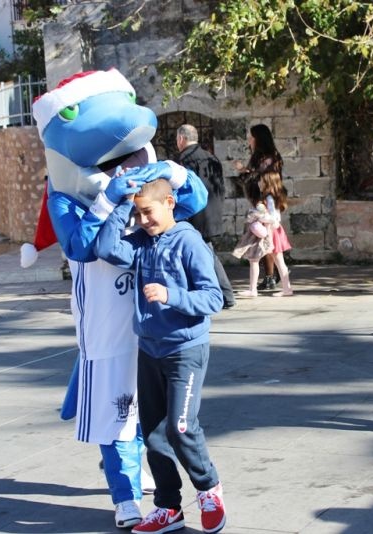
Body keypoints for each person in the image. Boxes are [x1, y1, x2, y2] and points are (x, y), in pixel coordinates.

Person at [27, 69, 209, 530]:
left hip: (153, 319)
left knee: (151, 415)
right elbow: (78, 246)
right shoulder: (64, 193)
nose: (120, 167)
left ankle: (148, 478)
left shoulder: (145, 177)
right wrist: (107, 201)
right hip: (106, 317)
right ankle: (124, 496)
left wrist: (174, 173)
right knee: (116, 412)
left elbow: (191, 203)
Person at [95, 177, 226, 534]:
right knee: (153, 433)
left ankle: (209, 489)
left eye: (147, 212)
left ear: (170, 202)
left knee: (181, 427)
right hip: (149, 349)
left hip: (185, 350)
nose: (142, 221)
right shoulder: (141, 241)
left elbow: (213, 298)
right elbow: (106, 248)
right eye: (138, 214)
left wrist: (172, 296)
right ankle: (169, 508)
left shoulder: (190, 242)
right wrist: (123, 203)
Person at [176, 124, 235, 309]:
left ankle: (225, 294)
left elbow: (184, 189)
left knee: (206, 253)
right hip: (212, 213)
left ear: (181, 139)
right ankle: (222, 294)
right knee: (207, 252)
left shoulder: (185, 160)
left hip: (195, 215)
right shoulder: (212, 158)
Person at [233, 124, 284, 291]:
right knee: (265, 237)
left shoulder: (266, 157)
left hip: (265, 202)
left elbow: (260, 177)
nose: (249, 140)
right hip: (264, 201)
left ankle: (270, 276)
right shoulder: (266, 156)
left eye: (251, 136)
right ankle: (274, 275)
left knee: (265, 238)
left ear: (258, 138)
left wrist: (243, 171)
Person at [236, 171, 293, 298]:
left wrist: (258, 216)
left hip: (270, 232)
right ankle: (285, 288)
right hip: (273, 232)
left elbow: (273, 218)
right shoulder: (273, 197)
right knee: (275, 261)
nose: (259, 183)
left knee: (258, 260)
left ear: (268, 182)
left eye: (262, 180)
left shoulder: (269, 198)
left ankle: (255, 289)